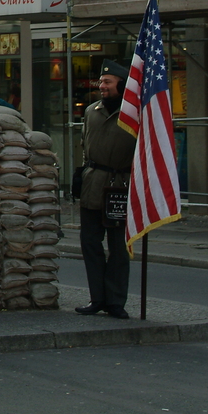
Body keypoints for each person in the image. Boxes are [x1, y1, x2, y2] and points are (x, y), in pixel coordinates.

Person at [75, 60, 138, 319]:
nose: (101, 86)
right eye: (101, 82)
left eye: (107, 82)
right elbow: (83, 143)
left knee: (119, 249)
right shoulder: (91, 111)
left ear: (121, 86)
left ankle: (115, 301)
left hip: (120, 187)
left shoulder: (134, 114)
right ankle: (97, 297)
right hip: (93, 184)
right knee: (90, 243)